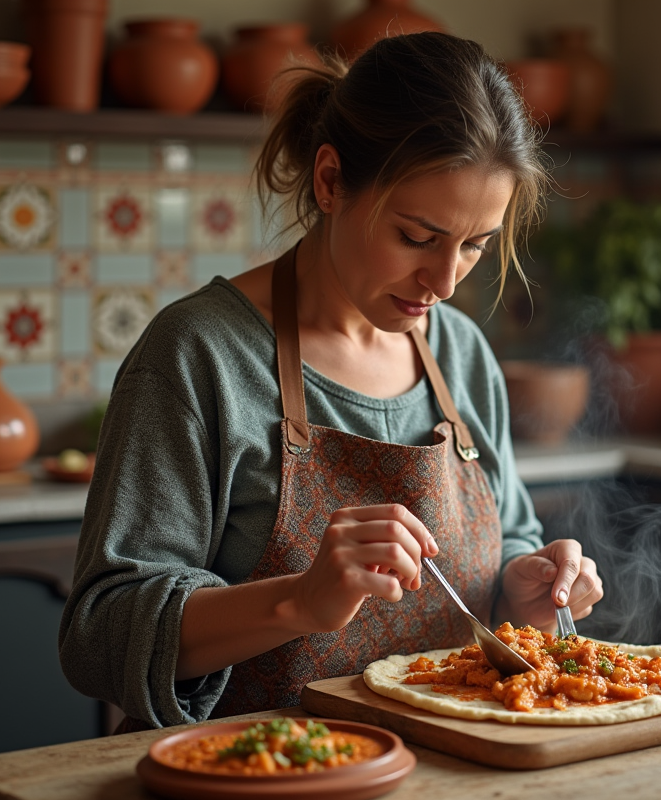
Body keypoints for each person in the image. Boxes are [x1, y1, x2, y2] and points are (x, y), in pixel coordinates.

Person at [58, 31, 603, 730]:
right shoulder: (199, 354)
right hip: (253, 769)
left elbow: (508, 553)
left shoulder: (461, 352)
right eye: (416, 237)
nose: (444, 282)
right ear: (329, 181)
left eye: (474, 245)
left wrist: (524, 595)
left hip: (449, 770)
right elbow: (99, 636)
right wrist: (299, 601)